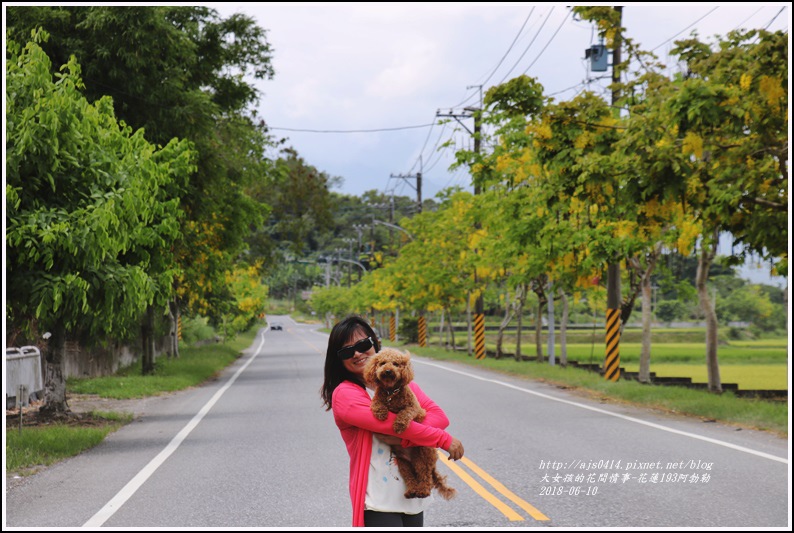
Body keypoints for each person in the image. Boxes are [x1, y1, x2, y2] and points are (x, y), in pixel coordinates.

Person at [321, 315, 464, 527]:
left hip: (412, 495)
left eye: (363, 344)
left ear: (374, 342)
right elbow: (389, 425)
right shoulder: (345, 394)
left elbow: (438, 416)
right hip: (378, 500)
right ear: (338, 359)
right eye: (347, 351)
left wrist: (407, 440)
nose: (358, 353)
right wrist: (442, 439)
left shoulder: (400, 385)